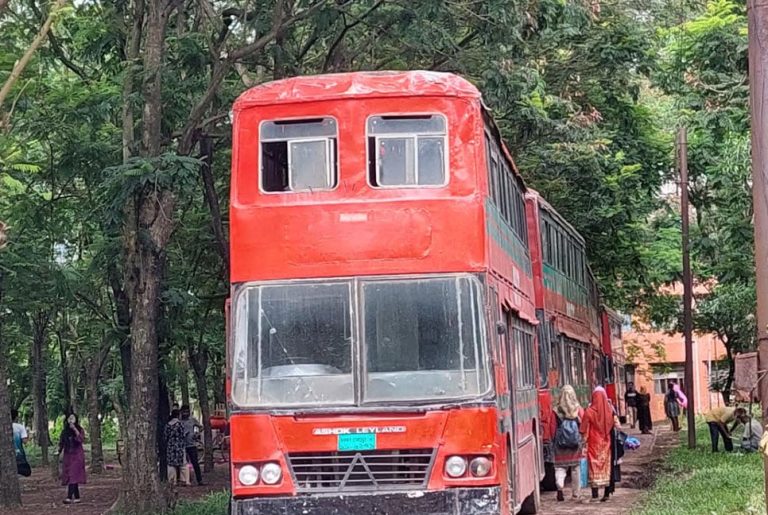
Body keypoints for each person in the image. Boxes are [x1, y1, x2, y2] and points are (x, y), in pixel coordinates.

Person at [549, 385, 584, 502]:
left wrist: (553, 441)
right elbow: (583, 424)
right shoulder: (578, 409)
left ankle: (560, 486)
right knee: (576, 468)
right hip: (575, 444)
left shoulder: (556, 410)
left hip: (560, 445)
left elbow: (552, 429)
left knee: (560, 467)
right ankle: (576, 494)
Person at [580, 387, 614, 502]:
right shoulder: (610, 411)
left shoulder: (589, 411)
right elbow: (615, 425)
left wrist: (583, 442)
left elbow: (583, 429)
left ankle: (595, 495)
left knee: (593, 466)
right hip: (606, 443)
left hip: (594, 443)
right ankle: (606, 494)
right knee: (605, 466)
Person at [59, 413, 86, 504]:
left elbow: (81, 439)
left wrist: (74, 429)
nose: (71, 420)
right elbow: (61, 443)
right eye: (69, 418)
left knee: (73, 474)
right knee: (70, 475)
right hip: (68, 456)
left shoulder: (79, 429)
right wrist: (59, 452)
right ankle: (77, 496)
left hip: (77, 455)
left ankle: (69, 497)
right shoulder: (65, 431)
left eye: (73, 418)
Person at [180, 405, 204, 485]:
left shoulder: (192, 420)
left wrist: (197, 434)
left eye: (187, 412)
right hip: (182, 445)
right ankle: (185, 480)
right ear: (181, 412)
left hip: (192, 445)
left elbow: (201, 427)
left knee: (195, 463)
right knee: (183, 465)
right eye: (184, 412)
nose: (185, 413)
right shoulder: (179, 421)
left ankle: (199, 480)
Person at [165, 409, 187, 485]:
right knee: (183, 464)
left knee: (171, 464)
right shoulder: (180, 424)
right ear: (178, 415)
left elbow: (165, 436)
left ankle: (172, 480)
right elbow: (183, 434)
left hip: (170, 446)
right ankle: (183, 480)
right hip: (179, 446)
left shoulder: (168, 425)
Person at [11, 409, 30, 477]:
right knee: (27, 472)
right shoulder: (20, 427)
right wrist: (28, 435)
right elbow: (25, 442)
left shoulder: (3, 427)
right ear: (16, 417)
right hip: (19, 454)